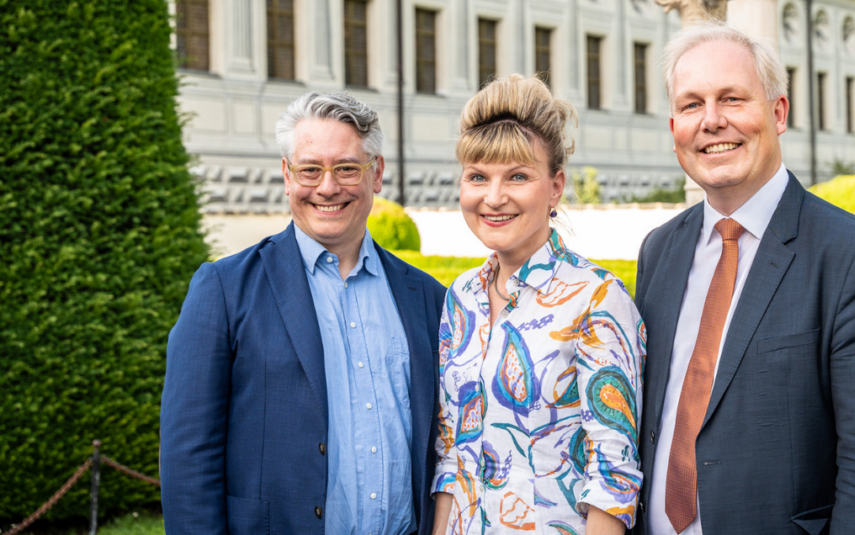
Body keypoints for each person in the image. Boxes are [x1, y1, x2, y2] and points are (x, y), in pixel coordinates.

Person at [635, 24, 855, 534]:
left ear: (778, 112)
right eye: (691, 104)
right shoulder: (659, 250)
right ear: (674, 123)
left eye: (732, 98)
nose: (712, 121)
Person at [160, 92, 446, 535]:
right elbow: (188, 456)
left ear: (377, 174)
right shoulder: (224, 289)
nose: (327, 187)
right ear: (287, 176)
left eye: (347, 168)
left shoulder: (426, 296)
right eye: (310, 169)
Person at [431, 75, 646, 534]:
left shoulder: (596, 298)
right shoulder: (461, 298)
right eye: (477, 177)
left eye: (518, 177)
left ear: (555, 187)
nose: (493, 197)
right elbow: (451, 456)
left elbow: (613, 473)